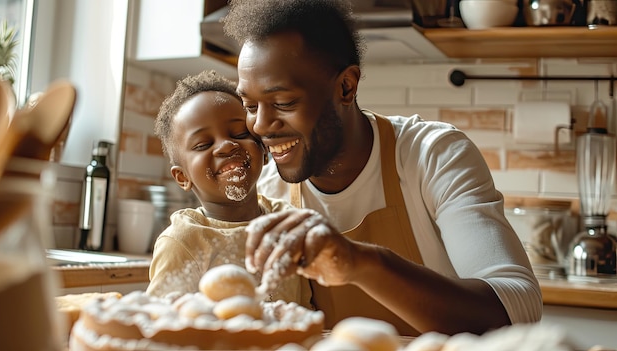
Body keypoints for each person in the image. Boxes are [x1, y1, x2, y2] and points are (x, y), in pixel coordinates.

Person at [223, 0, 542, 337]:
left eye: (283, 103)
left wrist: (359, 262)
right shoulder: (268, 194)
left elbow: (518, 308)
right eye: (250, 105)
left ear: (346, 87)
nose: (260, 125)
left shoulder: (432, 156)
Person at [146, 70, 311, 307]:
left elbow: (306, 308)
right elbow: (161, 324)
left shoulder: (289, 223)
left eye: (239, 133)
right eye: (203, 144)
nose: (226, 145)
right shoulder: (184, 241)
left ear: (263, 151)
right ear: (182, 177)